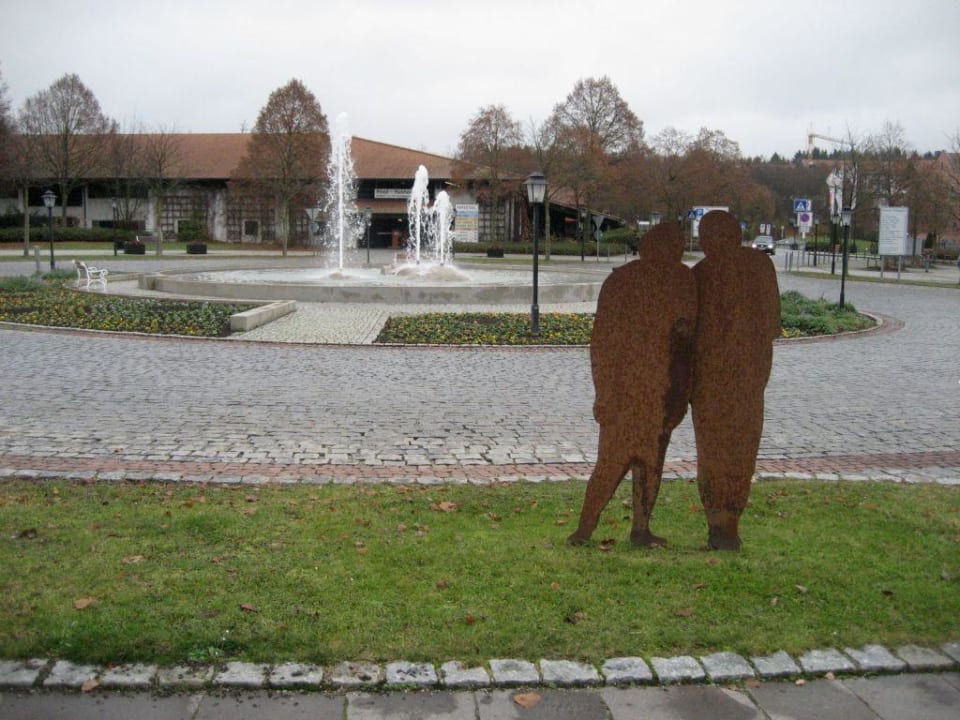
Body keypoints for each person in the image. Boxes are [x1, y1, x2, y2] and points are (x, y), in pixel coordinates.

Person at [568, 223, 697, 546]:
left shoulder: (681, 280)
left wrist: (680, 394)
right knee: (613, 462)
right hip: (630, 391)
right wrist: (604, 393)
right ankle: (586, 527)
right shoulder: (624, 282)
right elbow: (603, 342)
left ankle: (640, 527)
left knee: (650, 463)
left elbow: (686, 342)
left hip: (658, 390)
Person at [690, 210, 781, 550]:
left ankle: (718, 522)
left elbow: (687, 335)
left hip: (715, 382)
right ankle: (728, 523)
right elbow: (772, 322)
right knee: (740, 448)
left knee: (713, 450)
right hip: (745, 378)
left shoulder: (699, 275)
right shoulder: (759, 266)